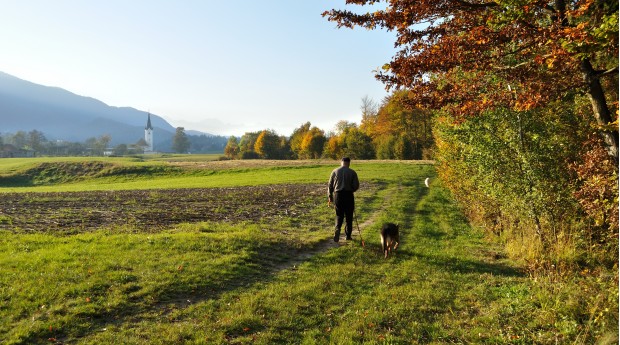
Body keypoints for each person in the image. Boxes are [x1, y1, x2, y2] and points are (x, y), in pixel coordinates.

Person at [327, 157, 360, 242]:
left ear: (341, 162)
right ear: (349, 163)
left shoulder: (334, 171)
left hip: (338, 195)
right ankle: (348, 236)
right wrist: (351, 189)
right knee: (349, 216)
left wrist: (330, 196)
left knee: (339, 214)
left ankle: (337, 229)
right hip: (349, 195)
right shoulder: (352, 172)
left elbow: (330, 185)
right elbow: (356, 186)